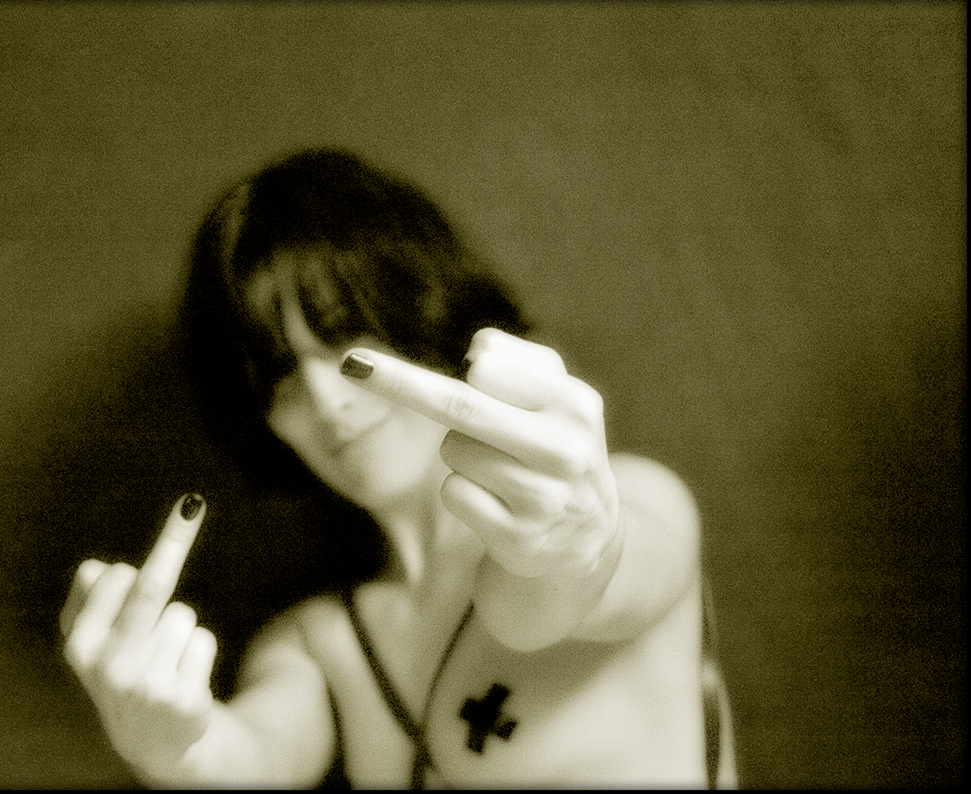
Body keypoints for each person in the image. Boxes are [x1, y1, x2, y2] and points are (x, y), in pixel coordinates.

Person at [59, 148, 738, 787]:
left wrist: (580, 553)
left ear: (423, 312)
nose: (326, 400)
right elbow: (252, 755)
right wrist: (167, 743)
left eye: (343, 336)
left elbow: (586, 577)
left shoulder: (640, 500)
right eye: (279, 376)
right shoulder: (319, 642)